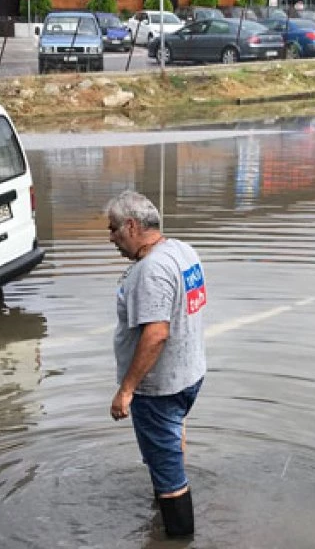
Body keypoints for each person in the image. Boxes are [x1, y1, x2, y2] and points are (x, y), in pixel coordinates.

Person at [105, 190, 207, 538]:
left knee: (169, 477)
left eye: (114, 229)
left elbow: (157, 334)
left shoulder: (150, 270)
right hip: (189, 376)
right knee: (170, 444)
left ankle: (180, 538)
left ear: (131, 226)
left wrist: (126, 390)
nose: (111, 238)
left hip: (159, 388)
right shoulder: (182, 251)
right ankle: (163, 507)